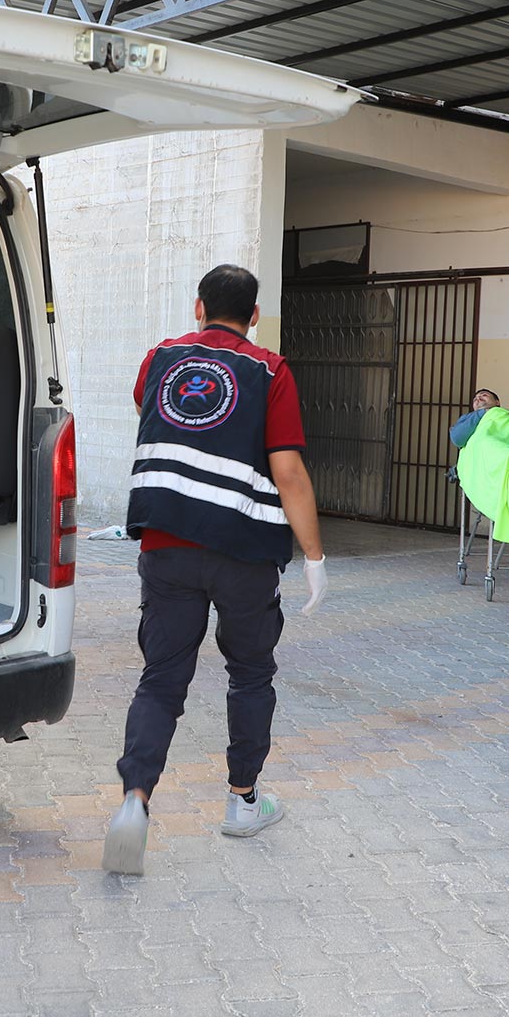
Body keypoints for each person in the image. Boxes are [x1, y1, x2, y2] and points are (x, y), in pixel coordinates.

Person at [103, 265, 328, 876]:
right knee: (251, 675)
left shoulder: (159, 359)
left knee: (161, 679)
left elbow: (153, 411)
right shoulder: (270, 371)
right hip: (244, 550)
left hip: (166, 543)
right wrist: (314, 555)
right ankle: (242, 802)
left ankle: (134, 801)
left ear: (198, 306)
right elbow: (289, 474)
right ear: (255, 316)